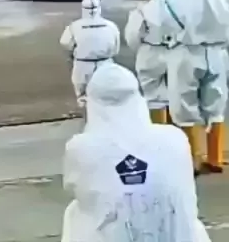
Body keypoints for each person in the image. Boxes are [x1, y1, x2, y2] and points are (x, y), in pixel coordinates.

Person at [61, 63, 211, 242]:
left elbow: (72, 186)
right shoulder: (174, 137)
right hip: (174, 234)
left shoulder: (81, 147)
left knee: (75, 212)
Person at [163, 0, 229, 175]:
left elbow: (165, 27)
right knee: (216, 104)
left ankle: (192, 159)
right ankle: (215, 157)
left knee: (184, 106)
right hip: (217, 53)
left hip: (186, 54)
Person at [125, 0, 172, 124]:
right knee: (176, 94)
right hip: (175, 51)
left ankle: (158, 128)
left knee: (153, 98)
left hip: (150, 52)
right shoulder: (179, 7)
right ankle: (175, 131)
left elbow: (132, 36)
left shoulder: (141, 10)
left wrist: (141, 50)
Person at [60, 0, 120, 107]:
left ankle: (88, 116)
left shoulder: (74, 26)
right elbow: (116, 48)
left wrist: (74, 53)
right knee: (105, 95)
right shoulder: (111, 26)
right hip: (105, 64)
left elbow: (65, 43)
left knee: (83, 97)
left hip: (83, 65)